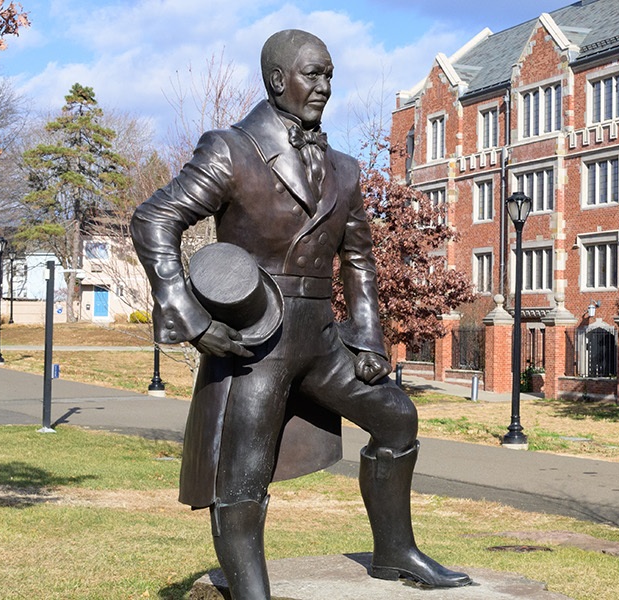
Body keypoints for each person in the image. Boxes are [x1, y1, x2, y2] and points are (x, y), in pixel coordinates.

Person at [130, 29, 471, 598]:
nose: (324, 87)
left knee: (397, 418)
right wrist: (190, 316)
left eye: (330, 75)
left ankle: (395, 552)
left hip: (322, 341)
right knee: (242, 473)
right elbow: (153, 220)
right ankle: (251, 591)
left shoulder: (346, 168)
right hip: (256, 341)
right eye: (312, 75)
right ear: (276, 80)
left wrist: (366, 339)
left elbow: (358, 259)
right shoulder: (232, 149)